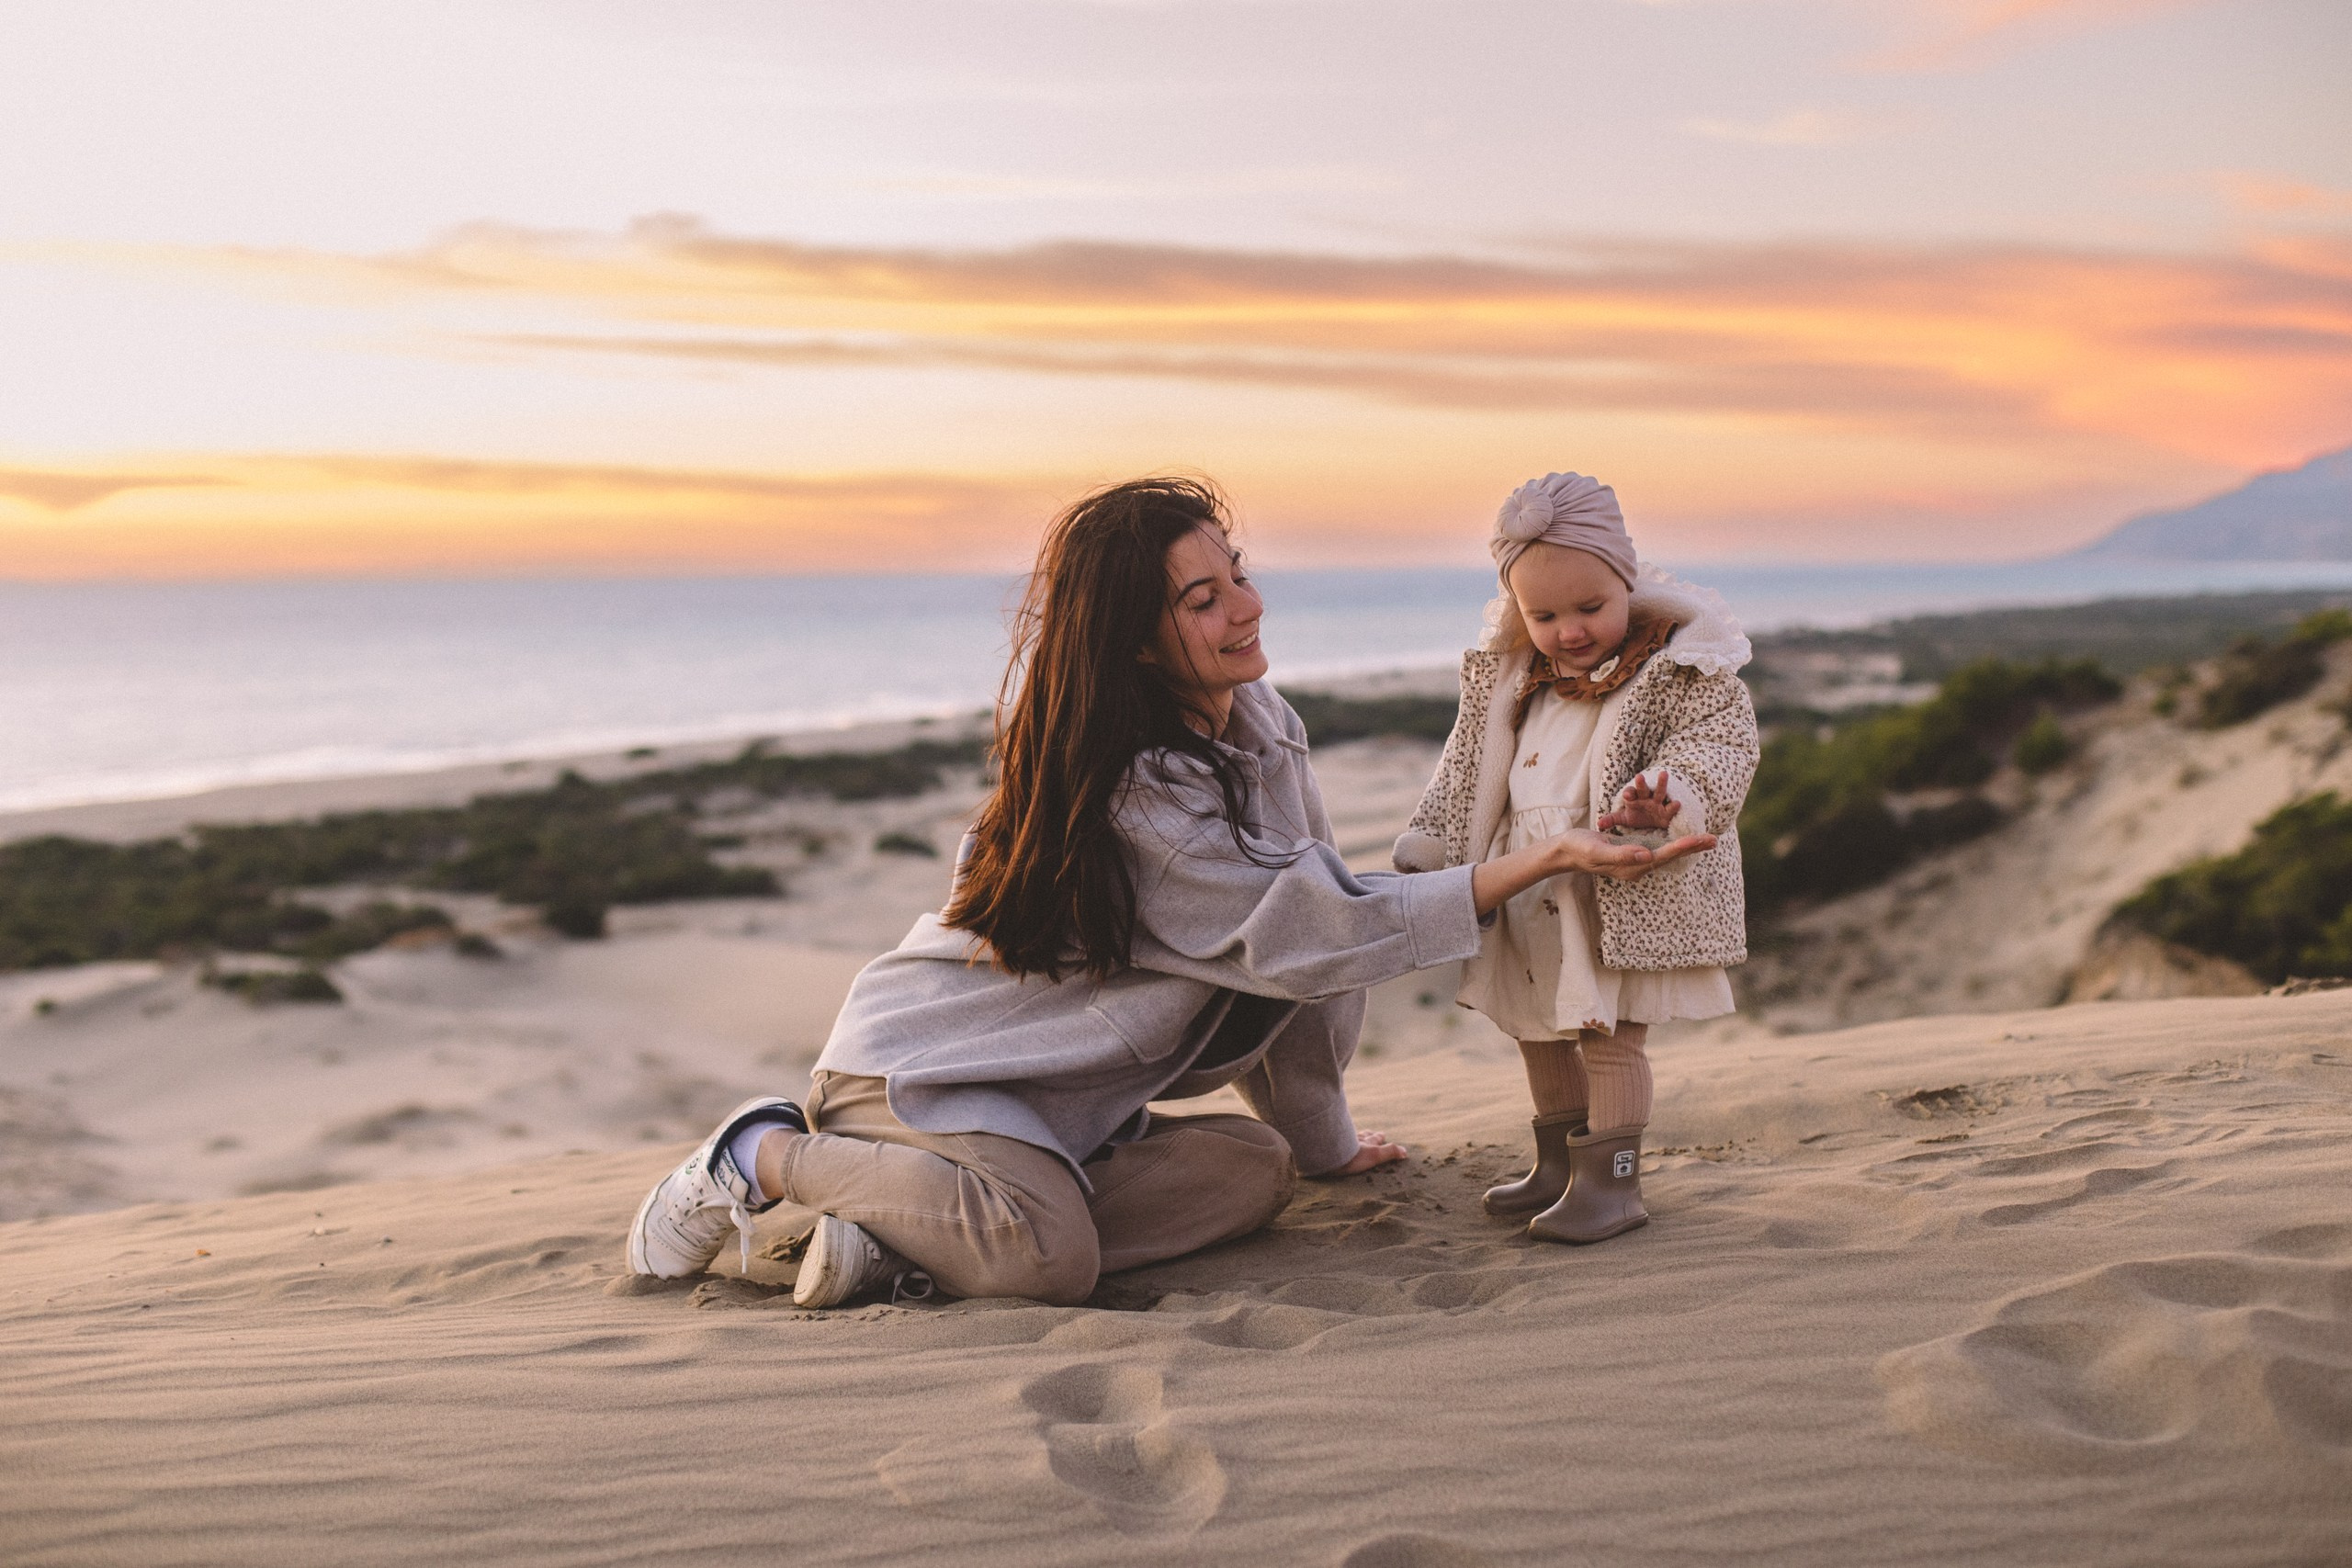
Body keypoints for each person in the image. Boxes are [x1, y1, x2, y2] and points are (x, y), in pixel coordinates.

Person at [624, 477, 1718, 1308]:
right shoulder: (1135, 790)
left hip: (1064, 1115)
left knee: (1254, 1171)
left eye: (1236, 570)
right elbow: (1312, 933)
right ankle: (756, 1153)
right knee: (1046, 1259)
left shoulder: (1257, 724)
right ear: (1139, 644)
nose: (1246, 606)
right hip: (925, 1079)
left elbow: (1309, 952)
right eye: (1204, 598)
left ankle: (899, 1238)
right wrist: (1541, 857)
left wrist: (1329, 1142)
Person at [1394, 471, 1758, 1245]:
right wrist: (1432, 841)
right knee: (1535, 1024)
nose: (1570, 630)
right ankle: (1557, 1163)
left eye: (1590, 606)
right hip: (1527, 878)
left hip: (1616, 883)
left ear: (1625, 580)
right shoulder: (1513, 676)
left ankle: (1610, 1182)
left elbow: (1718, 749)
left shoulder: (1681, 670)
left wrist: (1669, 798)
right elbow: (1464, 767)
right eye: (1545, 613)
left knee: (1608, 1031)